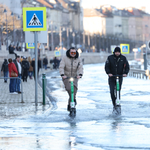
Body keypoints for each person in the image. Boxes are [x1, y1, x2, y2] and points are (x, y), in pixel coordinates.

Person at [105, 47, 130, 111]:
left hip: (120, 76)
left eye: (118, 52)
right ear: (114, 52)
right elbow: (107, 66)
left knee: (118, 91)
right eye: (116, 52)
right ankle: (114, 104)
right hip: (112, 77)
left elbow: (127, 66)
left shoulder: (123, 58)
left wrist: (125, 73)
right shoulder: (110, 58)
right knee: (112, 91)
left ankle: (118, 102)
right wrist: (109, 73)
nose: (117, 53)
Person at [59, 47, 83, 111]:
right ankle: (73, 100)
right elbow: (61, 66)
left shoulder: (78, 59)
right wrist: (62, 74)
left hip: (74, 77)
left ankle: (70, 105)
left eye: (74, 53)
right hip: (66, 77)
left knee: (74, 91)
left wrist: (80, 74)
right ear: (69, 52)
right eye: (71, 52)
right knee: (69, 89)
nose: (73, 54)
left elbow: (80, 67)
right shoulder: (65, 58)